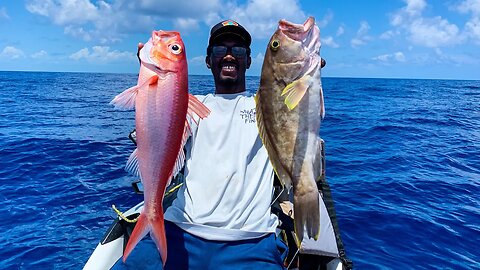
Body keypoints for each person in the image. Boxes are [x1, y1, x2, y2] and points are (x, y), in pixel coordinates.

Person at [114, 20, 288, 270]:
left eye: (238, 50)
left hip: (251, 240)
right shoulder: (187, 106)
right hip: (180, 229)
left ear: (248, 61)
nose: (229, 55)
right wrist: (148, 72)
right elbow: (159, 119)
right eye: (220, 49)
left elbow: (298, 98)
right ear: (208, 61)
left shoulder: (267, 108)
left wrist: (304, 65)